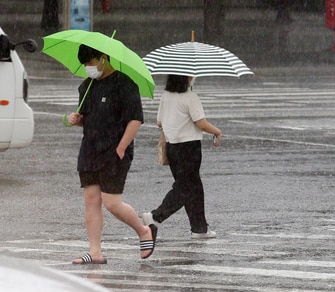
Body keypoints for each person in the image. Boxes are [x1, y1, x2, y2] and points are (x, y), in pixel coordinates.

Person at [66, 45, 156, 264]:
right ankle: (95, 251)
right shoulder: (86, 86)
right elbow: (89, 119)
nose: (89, 68)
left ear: (104, 58)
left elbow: (136, 119)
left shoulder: (125, 84)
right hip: (90, 150)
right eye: (85, 64)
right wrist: (76, 120)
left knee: (112, 202)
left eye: (91, 62)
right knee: (91, 200)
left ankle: (144, 231)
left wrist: (122, 147)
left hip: (114, 150)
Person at [142, 74, 222, 239]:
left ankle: (199, 228)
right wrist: (217, 131)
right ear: (186, 77)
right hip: (189, 148)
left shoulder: (166, 96)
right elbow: (200, 122)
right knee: (185, 188)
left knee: (194, 188)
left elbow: (159, 122)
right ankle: (155, 216)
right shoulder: (190, 97)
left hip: (173, 147)